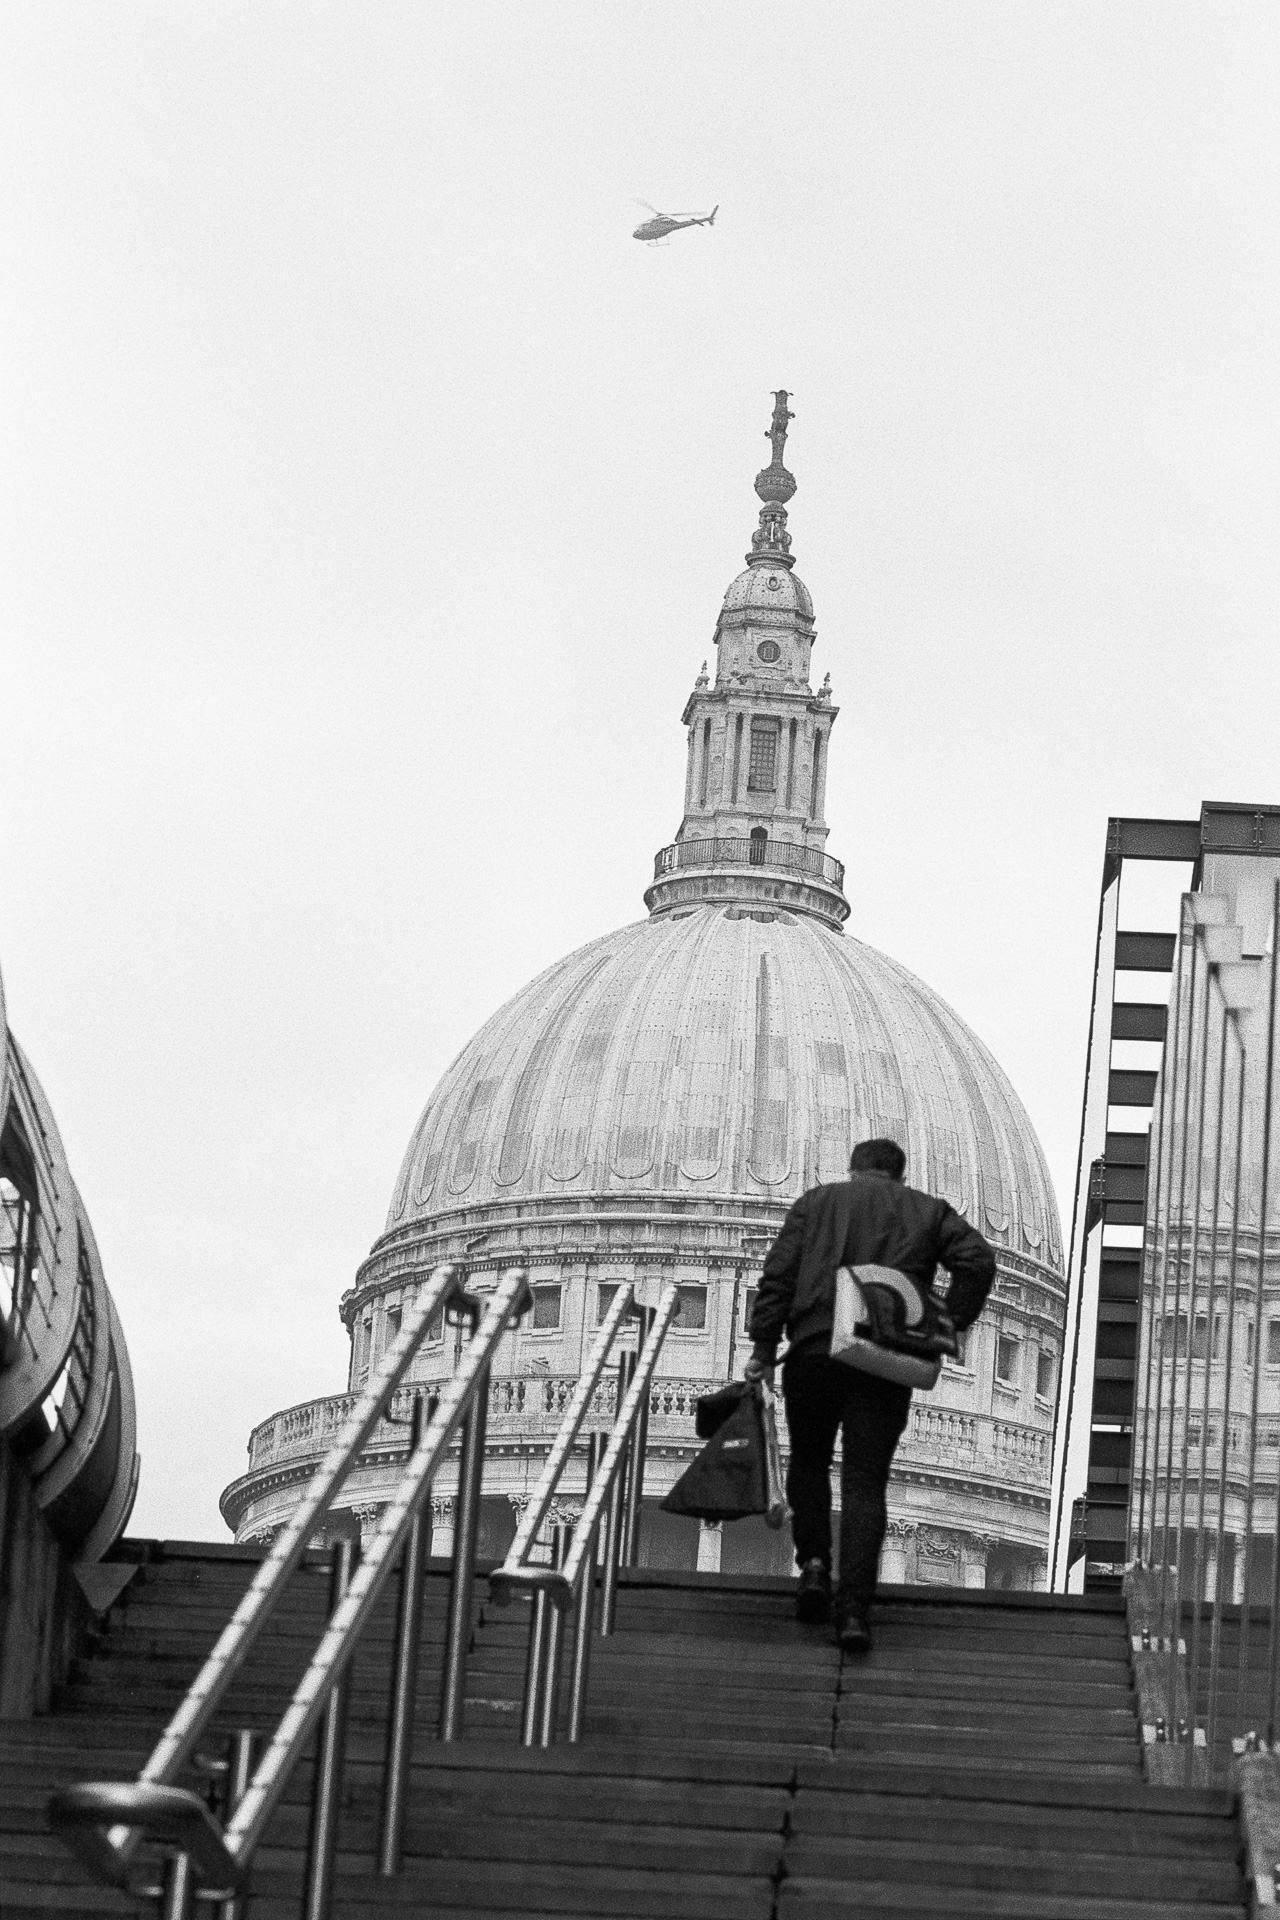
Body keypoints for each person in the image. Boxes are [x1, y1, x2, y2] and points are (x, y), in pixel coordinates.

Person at [745, 1137, 996, 1655]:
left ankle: (813, 1566)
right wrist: (944, 1323)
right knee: (866, 1482)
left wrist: (765, 1347)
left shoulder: (816, 1203)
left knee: (809, 1461)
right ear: (900, 1176)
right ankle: (855, 1608)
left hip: (815, 1349)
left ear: (854, 1170)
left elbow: (778, 1276)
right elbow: (977, 1261)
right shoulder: (926, 1211)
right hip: (883, 1360)